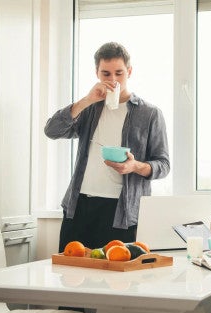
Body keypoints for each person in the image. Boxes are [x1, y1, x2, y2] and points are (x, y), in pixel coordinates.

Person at [45, 42, 170, 253]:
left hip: (121, 213)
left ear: (129, 72)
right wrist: (86, 100)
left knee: (119, 282)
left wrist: (135, 166)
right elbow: (52, 130)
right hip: (79, 207)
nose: (113, 80)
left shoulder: (150, 113)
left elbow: (163, 164)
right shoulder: (89, 109)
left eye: (119, 73)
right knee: (71, 277)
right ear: (97, 73)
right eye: (106, 74)